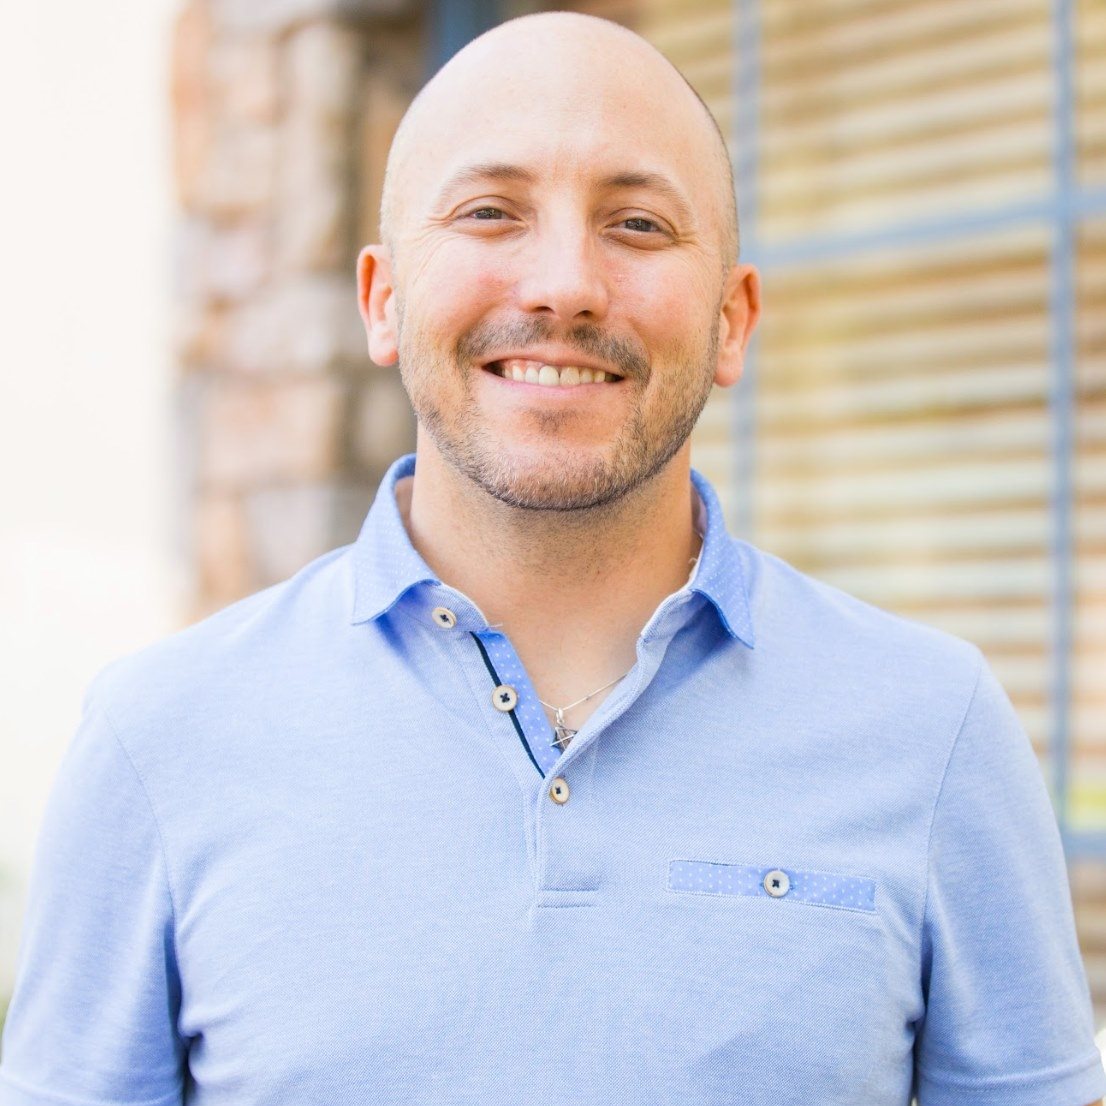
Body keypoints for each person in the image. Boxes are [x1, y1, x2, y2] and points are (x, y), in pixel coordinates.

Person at [1, 11, 1103, 1105]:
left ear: (732, 320)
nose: (564, 283)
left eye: (637, 223)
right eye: (490, 211)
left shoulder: (934, 733)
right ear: (382, 299)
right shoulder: (158, 742)